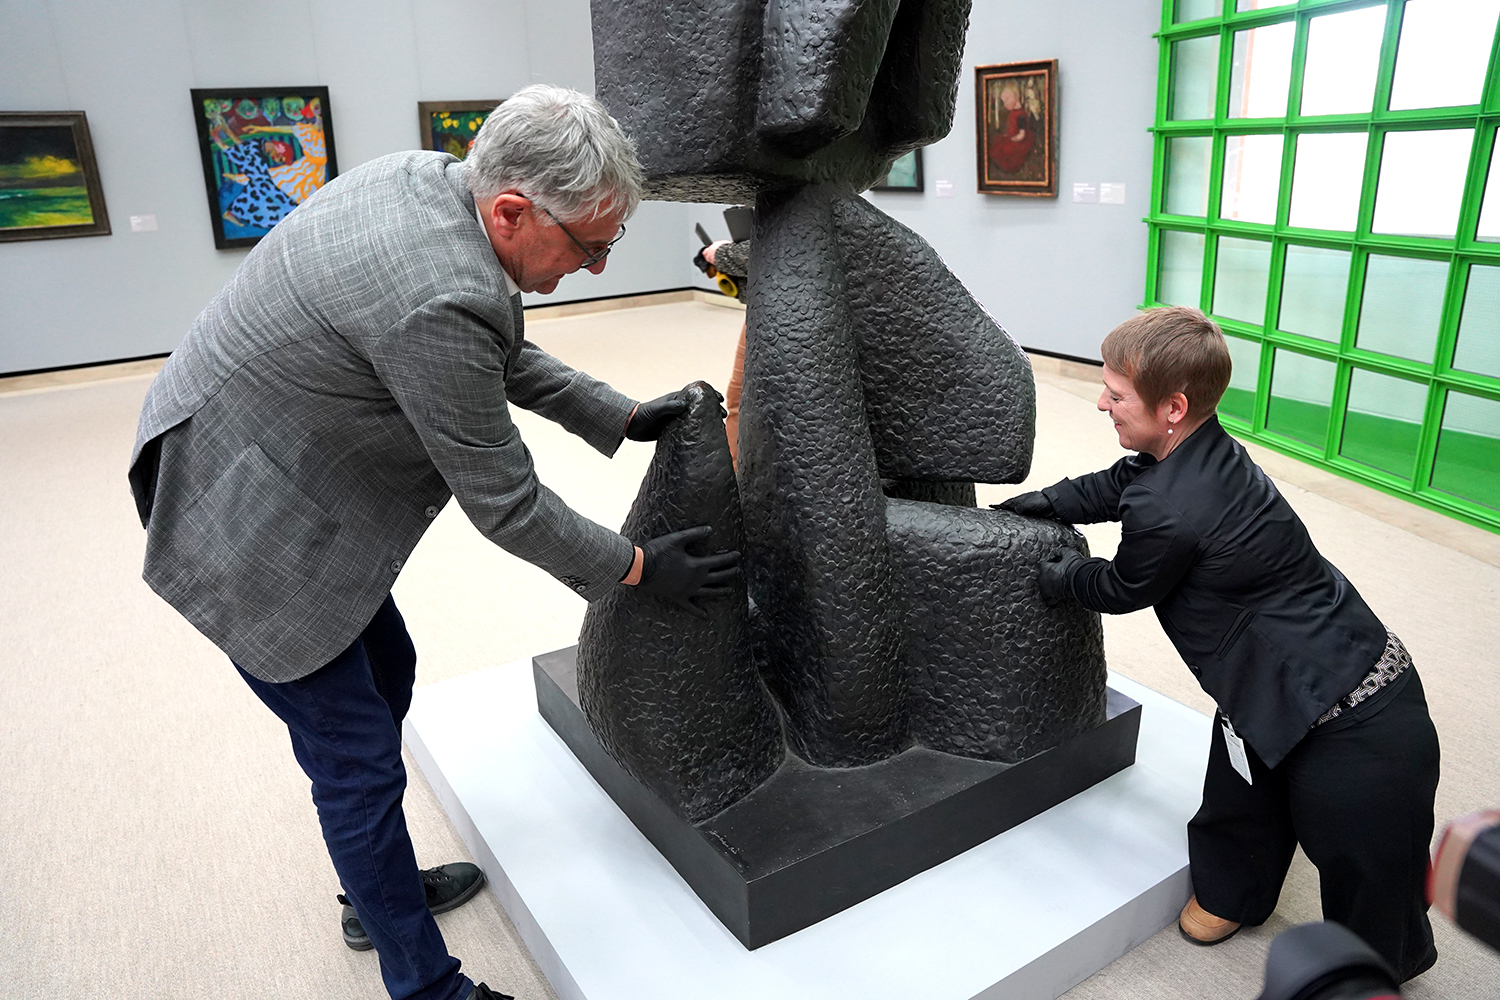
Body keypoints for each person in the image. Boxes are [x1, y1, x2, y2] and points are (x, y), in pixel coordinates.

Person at [128, 85, 738, 1000]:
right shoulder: (438, 292)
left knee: (389, 669)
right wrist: (642, 570)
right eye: (590, 247)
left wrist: (616, 413)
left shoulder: (432, 185)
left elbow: (495, 346)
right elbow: (509, 505)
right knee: (356, 759)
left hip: (274, 461)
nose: (599, 267)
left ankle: (374, 891)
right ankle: (425, 987)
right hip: (243, 520)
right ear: (513, 210)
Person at [996, 306, 1440, 982]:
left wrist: (1061, 577)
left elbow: (1123, 585)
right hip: (1260, 686)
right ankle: (1233, 891)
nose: (1101, 403)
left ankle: (1372, 971)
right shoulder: (1193, 450)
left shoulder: (1171, 508)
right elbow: (1121, 482)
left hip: (1351, 711)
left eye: (1116, 394)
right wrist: (1051, 502)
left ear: (1173, 407)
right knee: (1240, 792)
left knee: (1367, 861)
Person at [698, 237, 750, 464]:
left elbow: (776, 251)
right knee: (739, 400)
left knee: (740, 400)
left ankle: (732, 475)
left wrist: (722, 254)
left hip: (779, 315)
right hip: (763, 310)